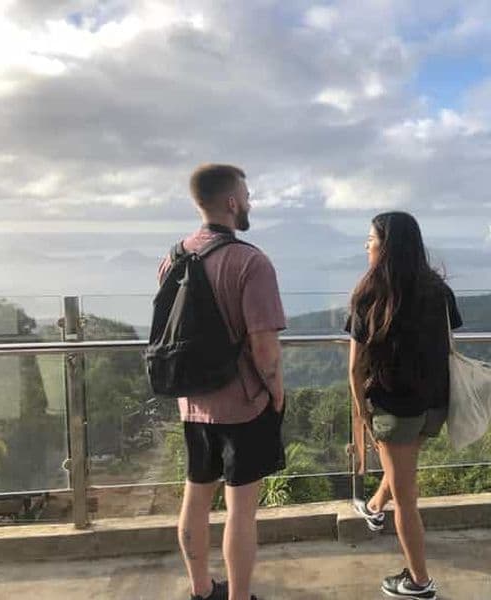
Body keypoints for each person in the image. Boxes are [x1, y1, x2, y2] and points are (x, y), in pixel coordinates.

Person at [157, 164, 286, 600]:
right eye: (246, 195)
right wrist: (277, 395)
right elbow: (265, 350)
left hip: (192, 401)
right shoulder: (251, 262)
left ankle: (200, 589)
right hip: (243, 403)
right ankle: (239, 595)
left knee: (195, 498)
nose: (249, 202)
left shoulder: (173, 258)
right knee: (240, 511)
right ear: (232, 202)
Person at [346, 211, 462, 600]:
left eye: (371, 238)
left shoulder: (369, 293)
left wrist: (361, 414)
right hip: (435, 406)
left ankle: (419, 582)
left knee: (407, 500)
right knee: (403, 468)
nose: (367, 245)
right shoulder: (438, 290)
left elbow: (354, 366)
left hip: (394, 406)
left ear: (387, 245)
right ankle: (376, 506)